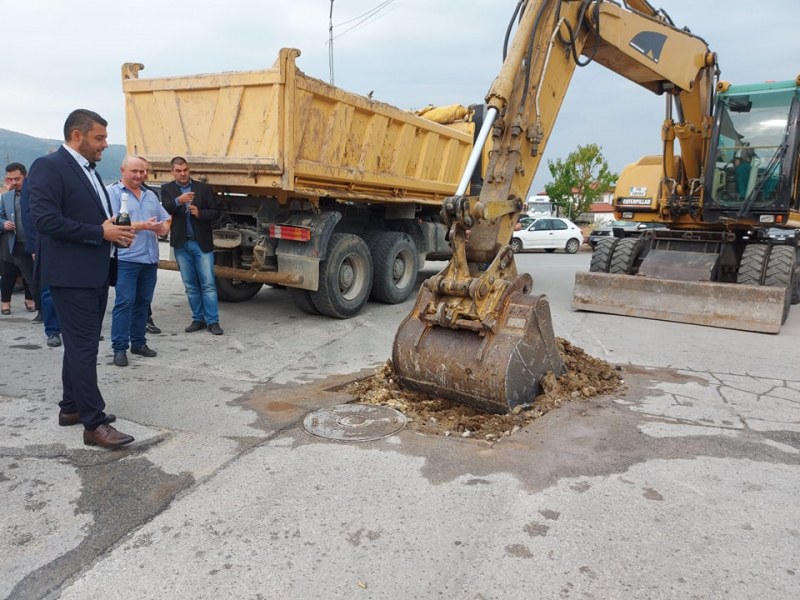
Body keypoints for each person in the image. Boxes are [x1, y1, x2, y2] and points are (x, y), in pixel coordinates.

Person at [28, 108, 137, 449]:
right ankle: (94, 423)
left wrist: (114, 233)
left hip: (93, 272)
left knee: (78, 345)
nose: (105, 145)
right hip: (70, 274)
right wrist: (99, 232)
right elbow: (45, 220)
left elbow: (94, 220)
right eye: (99, 138)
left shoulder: (90, 170)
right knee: (84, 347)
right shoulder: (49, 167)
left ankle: (71, 407)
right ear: (77, 136)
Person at [107, 156, 170, 367]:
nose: (140, 175)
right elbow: (113, 223)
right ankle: (119, 348)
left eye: (143, 172)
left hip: (149, 258)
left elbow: (166, 217)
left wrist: (164, 227)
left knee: (143, 303)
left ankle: (139, 343)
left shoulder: (150, 194)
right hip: (127, 258)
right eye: (135, 171)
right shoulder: (113, 193)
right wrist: (145, 225)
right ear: (123, 170)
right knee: (124, 302)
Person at [160, 156, 223, 335]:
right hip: (181, 244)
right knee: (190, 285)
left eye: (185, 170)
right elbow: (164, 209)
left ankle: (213, 322)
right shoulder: (167, 189)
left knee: (208, 284)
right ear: (172, 172)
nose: (183, 174)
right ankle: (198, 319)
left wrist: (200, 213)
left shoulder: (203, 188)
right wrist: (178, 201)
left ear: (189, 170)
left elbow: (216, 212)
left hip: (201, 243)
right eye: (178, 171)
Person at [19, 177, 62, 346]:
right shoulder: (34, 181)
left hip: (74, 244)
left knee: (76, 290)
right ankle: (53, 331)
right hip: (45, 245)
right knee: (49, 291)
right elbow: (27, 215)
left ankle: (77, 329)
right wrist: (34, 247)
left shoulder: (77, 177)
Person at [0, 163, 38, 316]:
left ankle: (30, 300)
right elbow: (0, 216)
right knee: (8, 273)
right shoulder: (6, 197)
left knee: (31, 274)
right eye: (10, 180)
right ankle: (5, 302)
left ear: (26, 176)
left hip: (31, 242)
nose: (14, 182)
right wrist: (3, 224)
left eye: (17, 179)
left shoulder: (35, 194)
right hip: (11, 243)